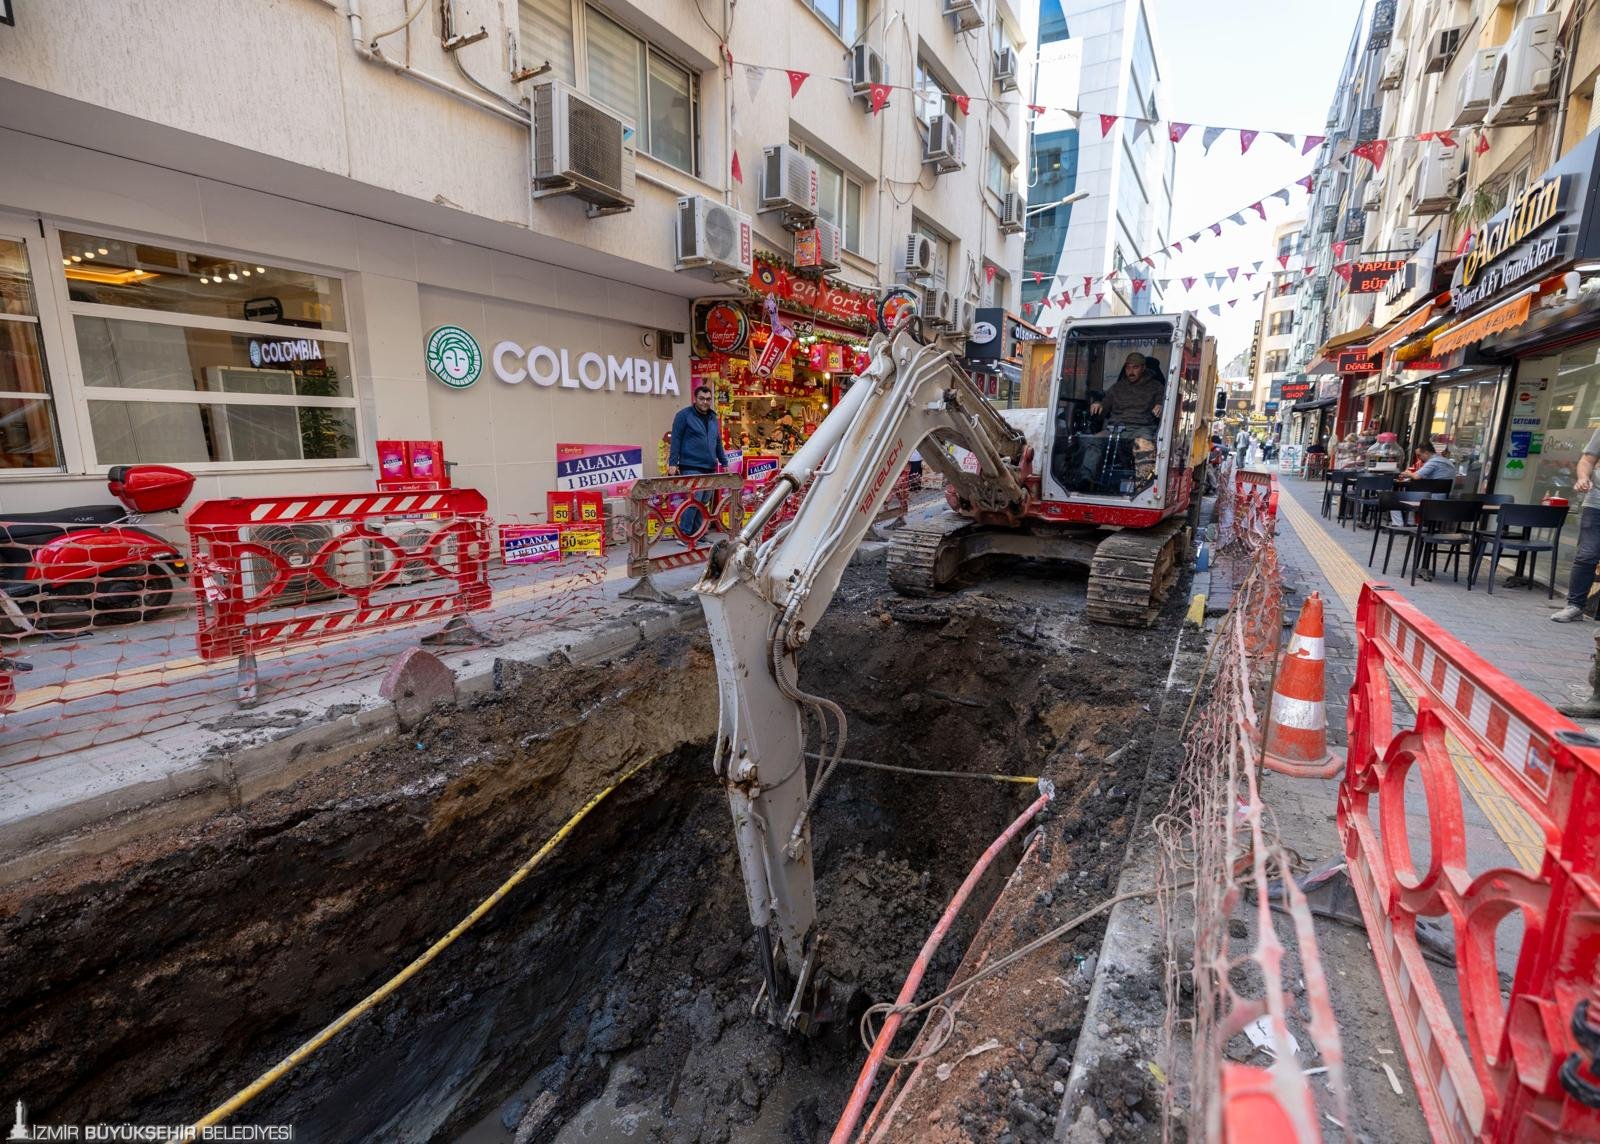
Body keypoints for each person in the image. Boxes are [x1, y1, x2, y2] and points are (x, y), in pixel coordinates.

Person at [1081, 352, 1164, 487]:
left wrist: (1160, 406)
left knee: (1143, 445)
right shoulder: (1117, 387)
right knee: (1096, 441)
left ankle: (1142, 485)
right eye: (1128, 367)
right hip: (1115, 429)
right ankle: (1086, 480)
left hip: (1141, 428)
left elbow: (1163, 404)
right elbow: (1105, 405)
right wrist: (1098, 405)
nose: (1131, 372)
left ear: (1143, 368)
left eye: (1135, 367)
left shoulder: (1156, 387)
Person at [1552, 428, 1600, 622]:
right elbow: (1587, 460)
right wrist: (1583, 478)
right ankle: (1575, 606)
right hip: (1597, 503)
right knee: (1587, 554)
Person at [667, 384, 727, 537]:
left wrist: (724, 461)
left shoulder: (713, 418)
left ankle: (697, 534)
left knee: (704, 501)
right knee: (695, 499)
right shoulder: (684, 415)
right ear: (695, 398)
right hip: (691, 465)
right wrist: (672, 463)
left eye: (708, 399)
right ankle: (685, 534)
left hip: (710, 466)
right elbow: (676, 439)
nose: (705, 402)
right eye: (701, 398)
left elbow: (717, 441)